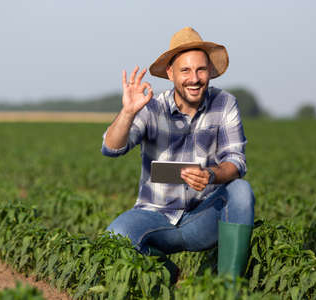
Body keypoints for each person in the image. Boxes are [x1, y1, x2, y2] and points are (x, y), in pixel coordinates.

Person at [101, 27, 255, 280]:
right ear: (171, 73)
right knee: (115, 237)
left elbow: (236, 160)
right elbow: (112, 148)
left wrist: (211, 174)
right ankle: (165, 271)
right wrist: (128, 112)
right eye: (185, 70)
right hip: (155, 216)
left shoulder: (224, 103)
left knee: (241, 190)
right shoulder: (152, 108)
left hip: (203, 217)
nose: (194, 78)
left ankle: (229, 287)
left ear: (209, 72)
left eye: (201, 70)